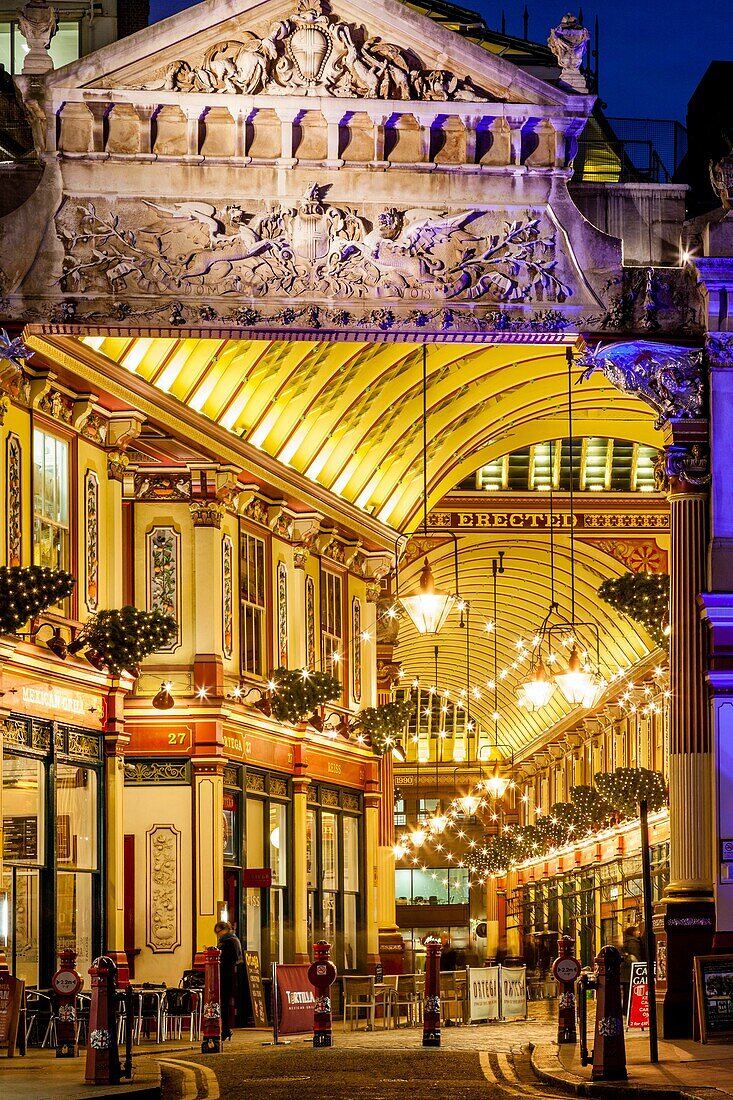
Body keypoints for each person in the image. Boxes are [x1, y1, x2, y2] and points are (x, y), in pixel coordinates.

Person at [215, 920, 243, 1041]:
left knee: (224, 1004)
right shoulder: (234, 939)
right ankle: (225, 1029)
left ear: (225, 929)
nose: (218, 935)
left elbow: (226, 958)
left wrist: (218, 951)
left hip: (226, 976)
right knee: (225, 1004)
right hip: (230, 976)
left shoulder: (228, 942)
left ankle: (225, 1029)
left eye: (219, 932)